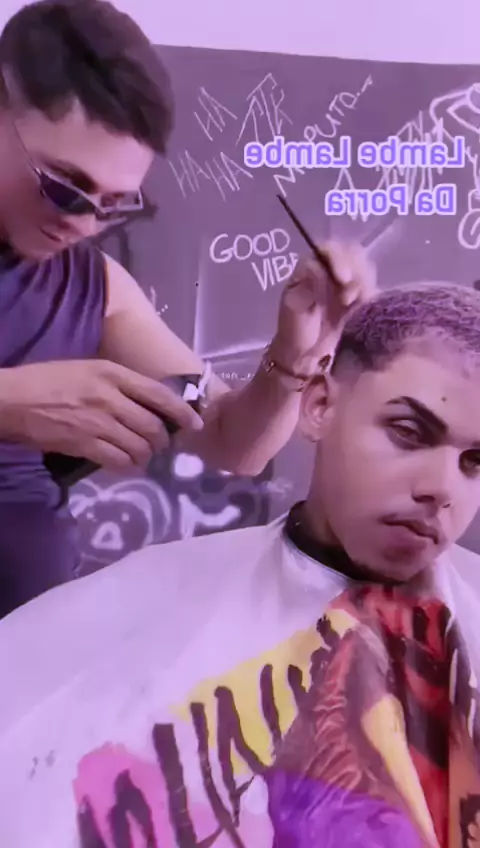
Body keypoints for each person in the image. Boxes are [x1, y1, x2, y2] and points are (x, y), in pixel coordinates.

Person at [1, 268, 480, 845]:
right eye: (407, 431)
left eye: (476, 462)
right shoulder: (139, 610)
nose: (441, 489)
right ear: (319, 404)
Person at [0, 0, 376, 615]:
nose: (84, 223)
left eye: (113, 204)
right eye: (63, 186)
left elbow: (227, 435)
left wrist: (295, 353)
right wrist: (12, 402)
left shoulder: (94, 288)